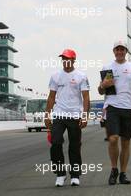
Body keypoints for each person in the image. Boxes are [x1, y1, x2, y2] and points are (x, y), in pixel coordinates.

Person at [98, 40, 131, 185]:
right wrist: (102, 85)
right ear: (113, 51)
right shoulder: (108, 68)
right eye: (117, 49)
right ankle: (113, 169)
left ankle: (123, 173)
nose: (119, 52)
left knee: (126, 142)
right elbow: (100, 91)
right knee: (113, 139)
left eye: (122, 49)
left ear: (126, 51)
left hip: (128, 108)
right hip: (112, 106)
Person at [44, 49, 90, 187]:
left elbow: (86, 97)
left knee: (74, 146)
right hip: (59, 114)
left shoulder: (81, 76)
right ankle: (60, 174)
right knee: (56, 143)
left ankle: (75, 175)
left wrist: (85, 116)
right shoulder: (56, 76)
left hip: (75, 115)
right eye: (63, 59)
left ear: (73, 60)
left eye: (68, 58)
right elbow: (51, 96)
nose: (65, 61)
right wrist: (47, 114)